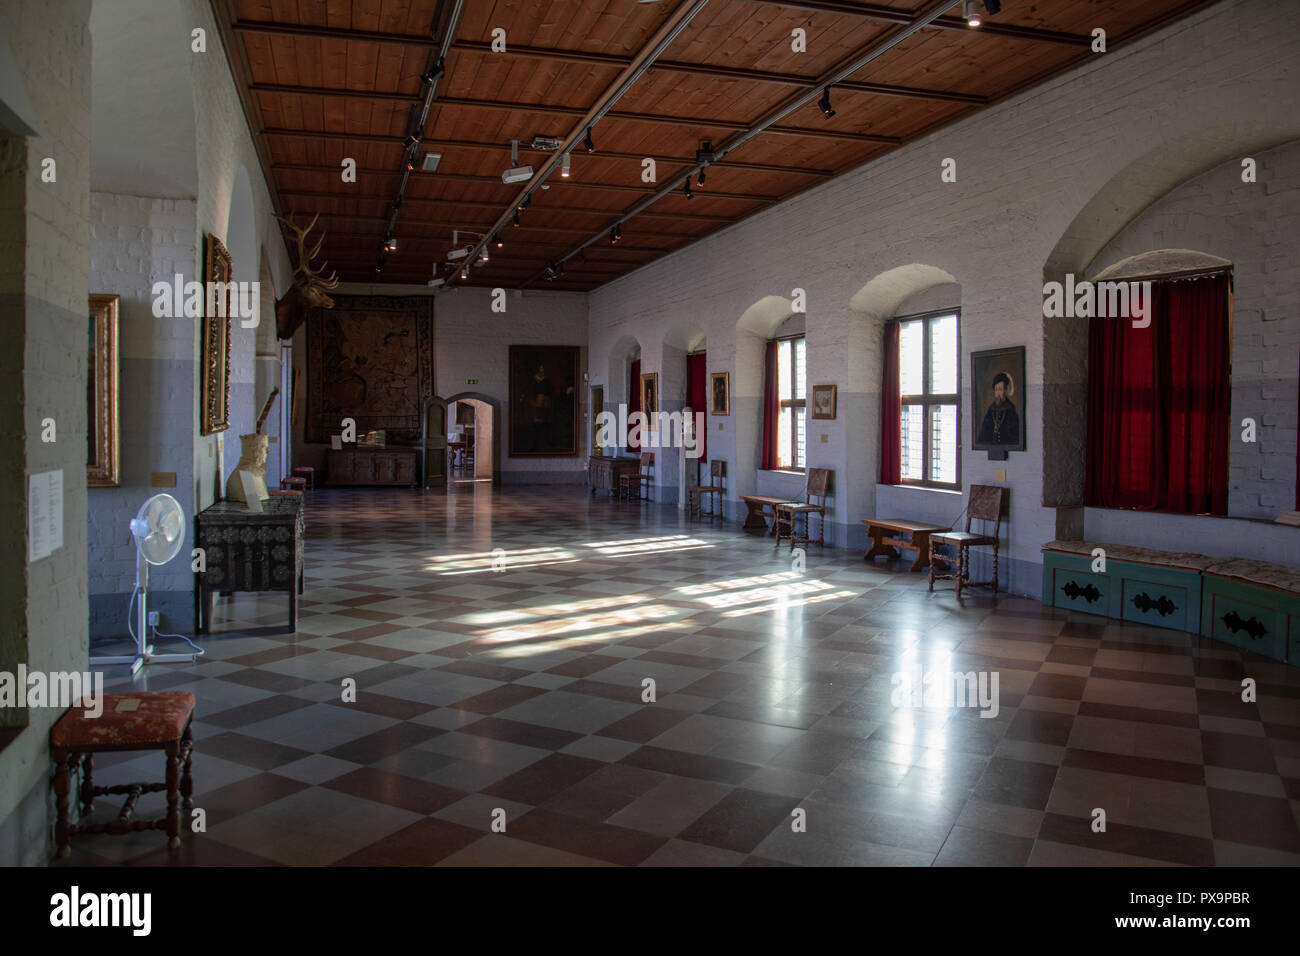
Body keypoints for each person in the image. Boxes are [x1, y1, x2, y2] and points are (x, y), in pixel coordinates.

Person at [977, 371, 1020, 445]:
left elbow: (1015, 437)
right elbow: (983, 434)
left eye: (1000, 389)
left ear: (1005, 391)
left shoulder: (1011, 410)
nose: (997, 393)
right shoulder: (991, 410)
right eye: (996, 390)